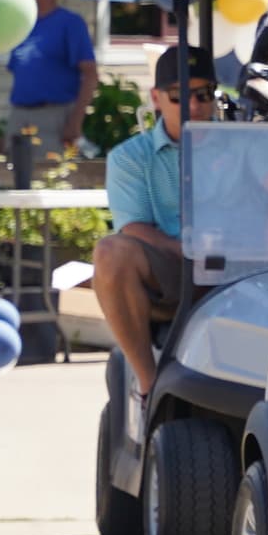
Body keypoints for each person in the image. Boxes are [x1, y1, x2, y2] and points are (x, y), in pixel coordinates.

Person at [90, 49, 196, 376]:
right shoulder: (131, 156)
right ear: (157, 97)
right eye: (180, 96)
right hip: (176, 264)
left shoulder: (237, 148)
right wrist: (188, 250)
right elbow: (133, 227)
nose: (194, 105)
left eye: (204, 94)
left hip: (237, 266)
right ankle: (148, 384)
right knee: (110, 253)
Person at [3, 0, 100, 151]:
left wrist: (75, 122)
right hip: (19, 115)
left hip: (54, 115)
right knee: (14, 171)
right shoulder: (22, 24)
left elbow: (90, 74)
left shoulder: (71, 23)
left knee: (48, 174)